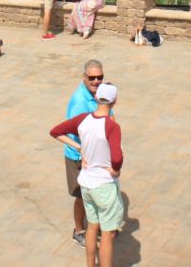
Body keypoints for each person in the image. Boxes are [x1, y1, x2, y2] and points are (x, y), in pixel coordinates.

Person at [50, 82, 124, 267]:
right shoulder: (112, 126)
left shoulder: (83, 119)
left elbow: (55, 131)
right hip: (104, 186)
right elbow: (117, 157)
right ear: (115, 101)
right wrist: (115, 170)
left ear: (97, 98)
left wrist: (79, 147)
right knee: (108, 233)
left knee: (92, 226)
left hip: (86, 183)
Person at [61, 60, 107, 248]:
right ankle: (79, 230)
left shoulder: (99, 94)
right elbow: (76, 133)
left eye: (99, 77)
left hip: (95, 154)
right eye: (92, 78)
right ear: (84, 77)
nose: (96, 81)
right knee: (81, 195)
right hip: (79, 157)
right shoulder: (80, 102)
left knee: (98, 191)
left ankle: (100, 227)